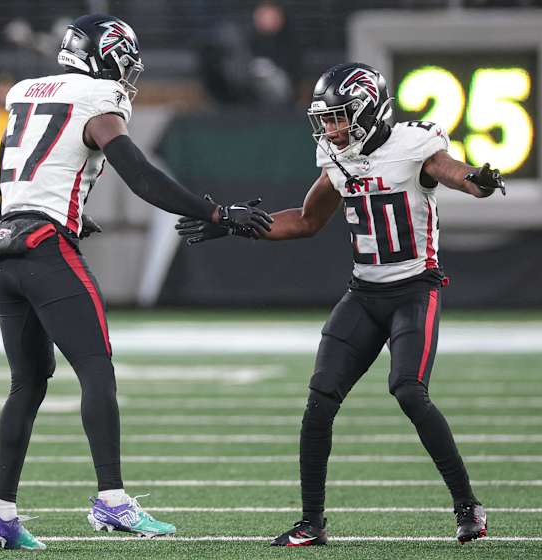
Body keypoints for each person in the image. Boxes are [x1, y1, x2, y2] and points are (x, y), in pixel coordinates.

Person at [176, 62, 505, 546]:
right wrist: (231, 223)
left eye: (339, 116)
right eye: (326, 118)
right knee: (319, 401)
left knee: (409, 391)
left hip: (416, 287)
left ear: (370, 109)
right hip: (365, 292)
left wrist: (476, 180)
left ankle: (467, 506)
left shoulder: (415, 143)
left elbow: (451, 173)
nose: (331, 128)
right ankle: (312, 523)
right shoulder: (338, 156)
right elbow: (307, 220)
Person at [0, 14, 272, 550]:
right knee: (95, 369)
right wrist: (216, 213)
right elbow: (140, 175)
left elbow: (13, 166)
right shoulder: (97, 98)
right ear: (106, 55)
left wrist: (66, 206)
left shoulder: (24, 91)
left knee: (27, 383)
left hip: (4, 250)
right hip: (46, 251)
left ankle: (1, 514)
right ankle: (111, 499)